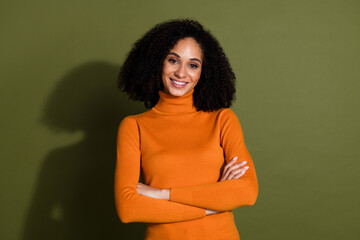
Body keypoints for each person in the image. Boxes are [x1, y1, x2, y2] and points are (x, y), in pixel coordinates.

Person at [114, 19, 258, 240]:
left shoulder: (222, 120)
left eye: (193, 65)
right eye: (173, 60)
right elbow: (128, 209)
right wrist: (215, 202)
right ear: (156, 63)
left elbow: (247, 192)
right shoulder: (134, 126)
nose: (181, 73)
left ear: (204, 72)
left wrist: (160, 194)